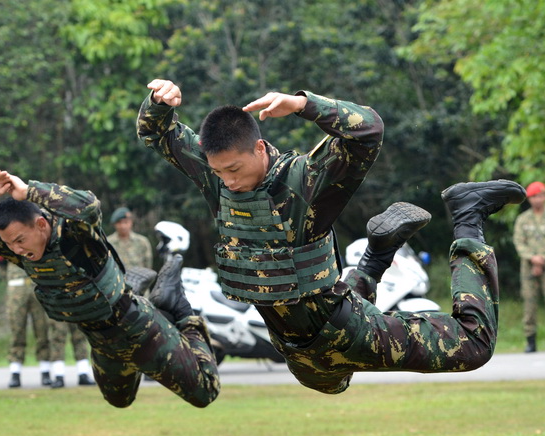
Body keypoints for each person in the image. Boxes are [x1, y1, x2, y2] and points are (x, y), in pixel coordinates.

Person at [137, 78, 524, 394]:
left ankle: (468, 215)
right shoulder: (217, 175)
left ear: (258, 148)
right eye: (220, 172)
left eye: (235, 169)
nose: (229, 181)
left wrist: (304, 104)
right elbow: (157, 133)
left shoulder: (304, 182)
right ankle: (376, 255)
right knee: (329, 383)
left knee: (474, 345)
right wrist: (159, 101)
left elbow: (369, 130)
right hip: (295, 350)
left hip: (343, 329)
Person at [0, 170, 220, 408]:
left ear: (41, 224)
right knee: (120, 401)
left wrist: (29, 191)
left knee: (205, 392)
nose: (16, 249)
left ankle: (177, 308)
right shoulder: (19, 248)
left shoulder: (75, 236)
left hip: (138, 329)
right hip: (101, 339)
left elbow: (88, 205)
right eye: (10, 244)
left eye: (20, 240)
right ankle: (128, 287)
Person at [513, 181, 545, 352]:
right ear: (529, 199)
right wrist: (532, 259)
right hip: (528, 269)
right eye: (534, 196)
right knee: (529, 306)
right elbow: (519, 242)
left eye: (540, 196)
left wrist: (541, 259)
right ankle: (530, 342)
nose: (537, 199)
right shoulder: (522, 220)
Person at [3, 261, 53, 388]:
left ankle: (45, 371)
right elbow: (0, 259)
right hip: (16, 286)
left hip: (38, 285)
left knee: (42, 331)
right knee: (17, 330)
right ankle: (15, 373)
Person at [48, 320, 96, 388]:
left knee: (80, 336)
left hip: (76, 310)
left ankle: (83, 374)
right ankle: (59, 376)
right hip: (59, 310)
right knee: (57, 337)